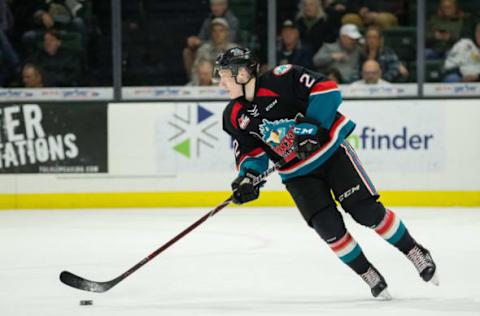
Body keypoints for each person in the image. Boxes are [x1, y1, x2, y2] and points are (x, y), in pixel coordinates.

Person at [214, 46, 438, 299]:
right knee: (328, 229)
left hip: (331, 155)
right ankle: (368, 273)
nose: (221, 82)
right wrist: (247, 177)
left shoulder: (282, 78)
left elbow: (327, 90)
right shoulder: (233, 116)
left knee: (366, 212)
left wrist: (312, 126)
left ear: (243, 73)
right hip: (297, 175)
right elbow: (250, 152)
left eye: (224, 75)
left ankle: (415, 251)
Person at [183, 0, 239, 77]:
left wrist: (201, 43)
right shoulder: (208, 20)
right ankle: (195, 82)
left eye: (218, 5)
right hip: (209, 48)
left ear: (225, 6)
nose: (215, 8)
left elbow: (227, 40)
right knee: (189, 51)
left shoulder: (233, 20)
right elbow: (201, 38)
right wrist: (195, 41)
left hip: (227, 49)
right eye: (213, 5)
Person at [190, 17, 238, 82]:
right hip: (206, 88)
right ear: (211, 33)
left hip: (229, 87)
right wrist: (198, 87)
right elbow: (195, 71)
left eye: (221, 30)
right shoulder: (203, 49)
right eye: (214, 31)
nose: (217, 34)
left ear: (227, 33)